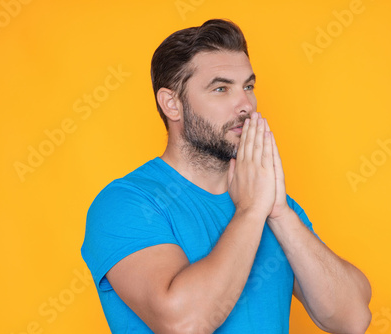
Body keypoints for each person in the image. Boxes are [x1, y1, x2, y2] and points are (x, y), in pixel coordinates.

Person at [81, 19, 372, 334]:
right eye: (221, 88)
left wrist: (279, 213)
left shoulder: (268, 201)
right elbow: (184, 324)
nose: (246, 105)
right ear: (172, 104)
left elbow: (352, 319)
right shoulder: (125, 203)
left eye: (248, 86)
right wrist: (250, 212)